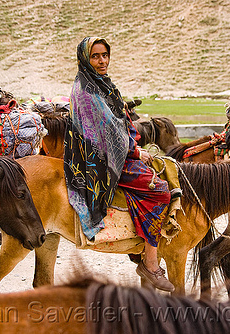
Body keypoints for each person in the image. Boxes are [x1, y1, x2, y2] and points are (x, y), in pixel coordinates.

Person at [64, 37, 174, 292]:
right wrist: (135, 151)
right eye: (95, 56)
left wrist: (133, 145)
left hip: (116, 151)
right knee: (159, 191)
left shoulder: (104, 84)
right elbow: (106, 133)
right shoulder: (85, 90)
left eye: (105, 55)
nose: (102, 61)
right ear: (85, 58)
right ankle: (149, 262)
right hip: (99, 159)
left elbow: (119, 122)